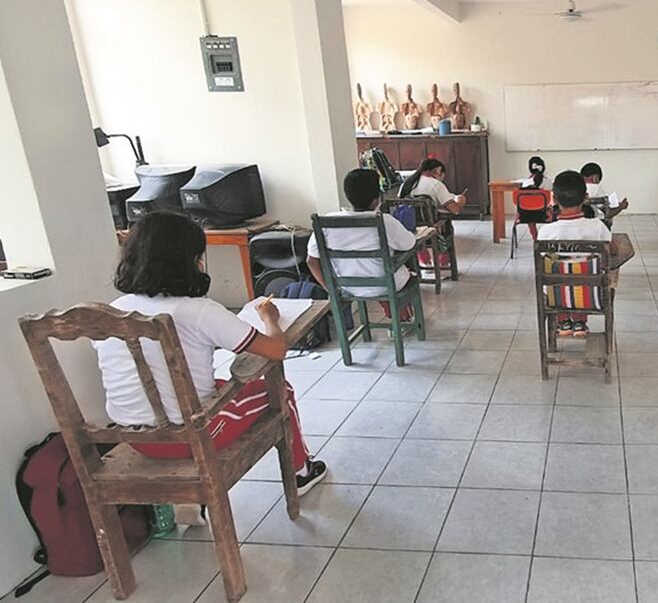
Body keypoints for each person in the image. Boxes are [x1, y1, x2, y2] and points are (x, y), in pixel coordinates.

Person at [93, 212, 327, 496]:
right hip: (193, 435)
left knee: (209, 384)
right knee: (280, 389)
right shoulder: (199, 311)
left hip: (135, 437)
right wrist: (270, 317)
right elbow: (276, 350)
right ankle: (302, 472)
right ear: (190, 260)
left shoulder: (110, 310)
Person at [307, 168, 418, 321]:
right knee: (407, 269)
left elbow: (311, 261)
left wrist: (330, 289)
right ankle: (403, 317)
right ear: (376, 199)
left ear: (347, 195)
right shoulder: (385, 221)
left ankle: (397, 316)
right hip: (386, 285)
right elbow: (409, 244)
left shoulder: (326, 222)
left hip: (348, 287)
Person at [538, 170, 612, 338]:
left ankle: (563, 320)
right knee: (584, 275)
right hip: (590, 296)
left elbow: (544, 261)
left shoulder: (546, 232)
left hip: (555, 297)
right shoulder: (597, 227)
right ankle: (579, 322)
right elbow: (612, 250)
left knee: (559, 273)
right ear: (586, 197)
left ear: (554, 199)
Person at [399, 156, 467, 215]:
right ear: (437, 172)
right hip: (430, 225)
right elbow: (454, 210)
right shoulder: (436, 184)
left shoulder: (406, 184)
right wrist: (460, 201)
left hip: (407, 223)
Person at [519, 156, 553, 240]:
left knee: (529, 212)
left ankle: (535, 237)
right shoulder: (548, 183)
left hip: (525, 216)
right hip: (544, 214)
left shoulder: (525, 183)